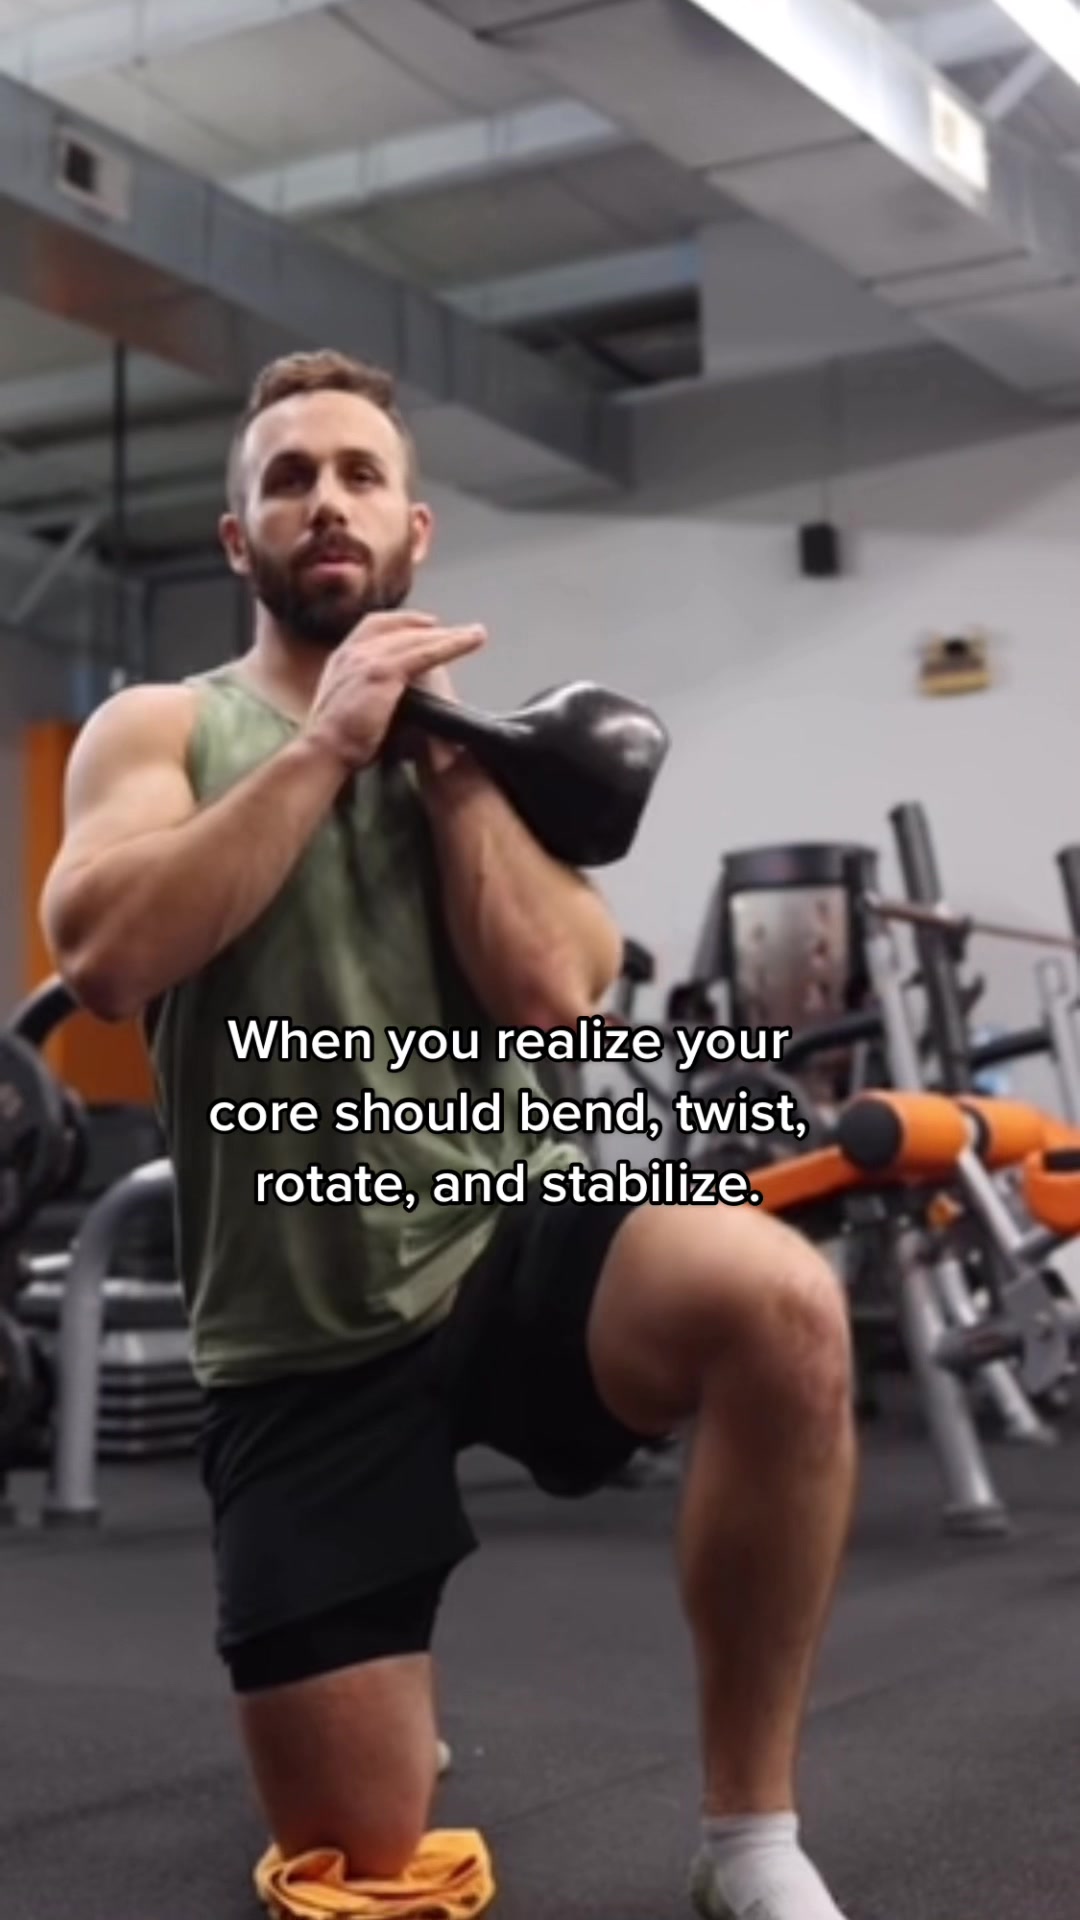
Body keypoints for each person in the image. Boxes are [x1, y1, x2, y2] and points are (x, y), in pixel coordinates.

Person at [40, 349, 858, 1920]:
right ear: (237, 541)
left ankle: (750, 1839)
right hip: (298, 1326)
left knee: (784, 1302)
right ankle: (380, 1717)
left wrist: (445, 761)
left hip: (509, 1232)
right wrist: (323, 746)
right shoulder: (159, 727)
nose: (326, 502)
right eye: (288, 479)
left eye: (360, 475)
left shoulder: (485, 759)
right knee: (360, 1855)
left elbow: (556, 994)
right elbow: (107, 960)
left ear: (413, 534)